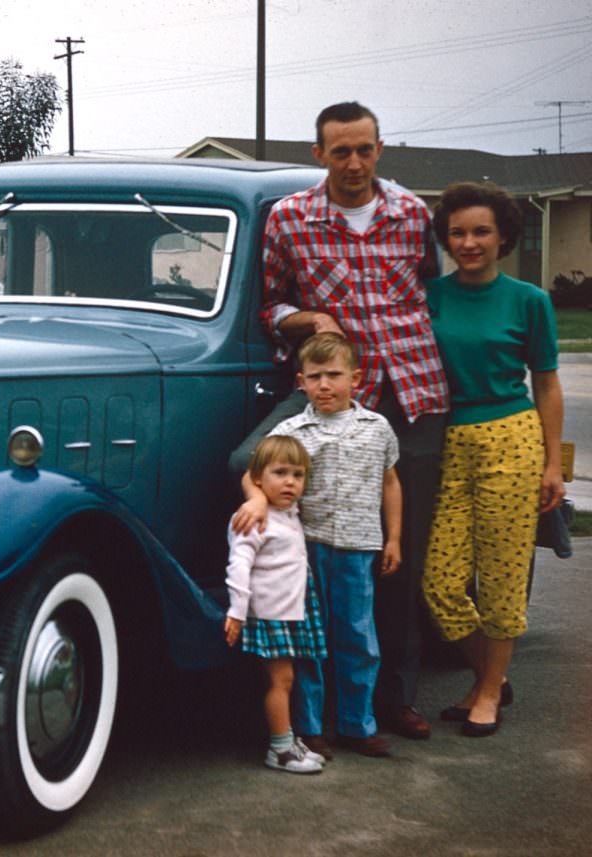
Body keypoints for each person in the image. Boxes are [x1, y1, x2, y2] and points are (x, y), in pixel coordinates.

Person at [230, 101, 447, 741]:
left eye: (365, 150)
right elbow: (270, 307)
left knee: (397, 556)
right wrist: (309, 321)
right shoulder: (290, 218)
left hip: (410, 394)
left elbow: (431, 291)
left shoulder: (411, 214)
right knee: (261, 478)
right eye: (340, 151)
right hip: (329, 392)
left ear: (380, 150)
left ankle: (394, 700)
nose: (354, 163)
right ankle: (304, 699)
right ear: (319, 154)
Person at [421, 181, 564, 737]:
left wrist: (553, 465)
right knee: (440, 583)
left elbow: (547, 386)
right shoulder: (432, 294)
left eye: (481, 231)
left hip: (511, 438)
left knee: (502, 575)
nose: (469, 242)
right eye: (457, 232)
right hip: (447, 440)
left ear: (503, 235)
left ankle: (485, 693)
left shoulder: (530, 300)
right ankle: (492, 677)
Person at [236, 333, 402, 758]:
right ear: (301, 382)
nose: (324, 385)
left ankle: (357, 724)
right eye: (315, 377)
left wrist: (395, 537)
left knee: (358, 637)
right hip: (304, 550)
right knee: (309, 640)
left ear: (356, 378)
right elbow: (252, 470)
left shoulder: (376, 428)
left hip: (359, 544)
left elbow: (390, 482)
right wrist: (256, 498)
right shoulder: (292, 430)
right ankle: (309, 727)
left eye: (334, 375)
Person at [224, 434, 327, 774]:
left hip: (290, 608)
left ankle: (287, 739)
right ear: (257, 480)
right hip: (270, 612)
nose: (290, 482)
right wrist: (237, 612)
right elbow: (239, 564)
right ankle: (280, 748)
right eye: (280, 473)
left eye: (297, 475)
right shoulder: (254, 518)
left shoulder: (289, 512)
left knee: (288, 678)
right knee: (280, 681)